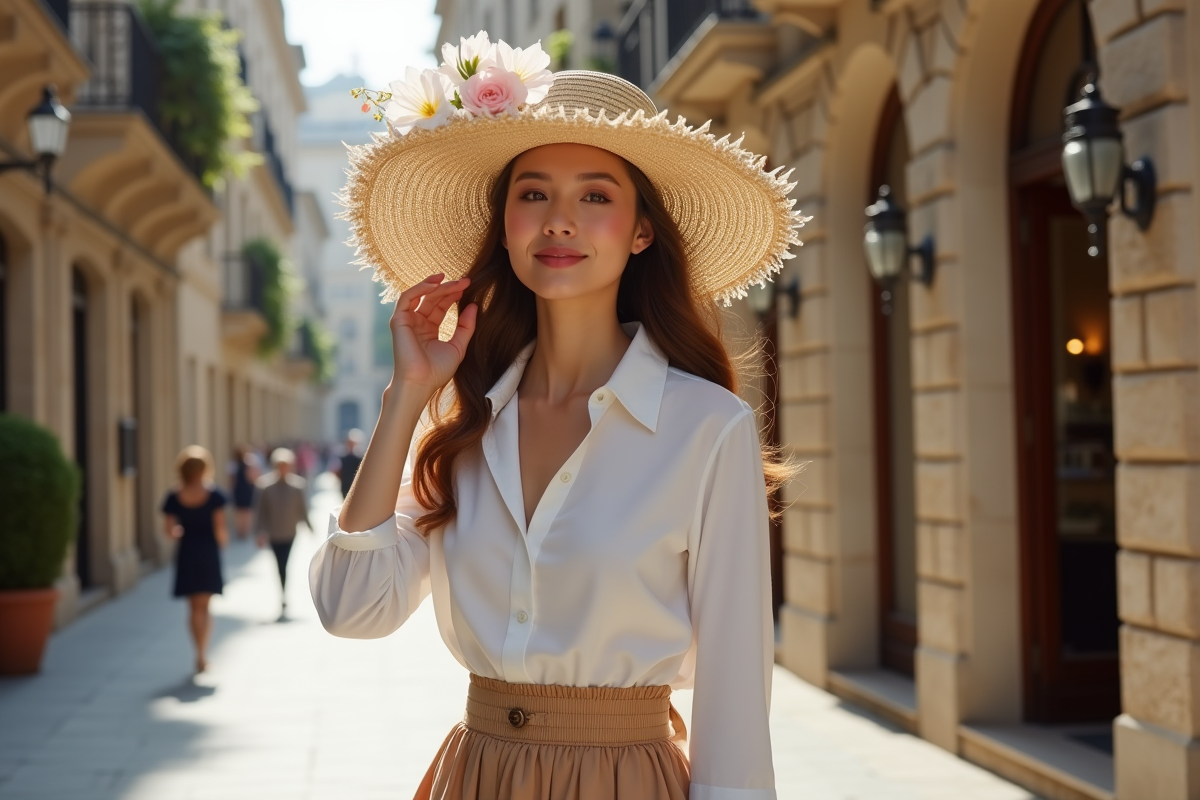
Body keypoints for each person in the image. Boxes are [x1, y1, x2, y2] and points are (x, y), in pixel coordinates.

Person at [309, 38, 805, 800]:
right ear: (505, 225)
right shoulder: (460, 419)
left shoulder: (709, 428)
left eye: (597, 196)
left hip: (626, 780)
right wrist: (405, 396)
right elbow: (351, 610)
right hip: (476, 776)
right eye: (533, 194)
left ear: (642, 231)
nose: (559, 221)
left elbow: (738, 687)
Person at [162, 445, 228, 674]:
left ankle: (197, 653)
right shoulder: (215, 495)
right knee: (206, 606)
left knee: (193, 608)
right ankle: (203, 654)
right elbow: (220, 531)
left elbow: (169, 531)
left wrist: (180, 531)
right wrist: (222, 545)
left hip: (187, 552)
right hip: (208, 552)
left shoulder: (174, 495)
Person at [253, 447, 312, 615]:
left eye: (286, 465)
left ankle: (284, 592)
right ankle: (282, 589)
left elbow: (303, 509)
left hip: (289, 532)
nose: (283, 469)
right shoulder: (265, 486)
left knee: (285, 562)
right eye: (280, 465)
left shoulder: (297, 485)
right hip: (273, 532)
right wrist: (259, 532)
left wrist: (309, 526)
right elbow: (260, 511)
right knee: (279, 564)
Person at [227, 444, 259, 539]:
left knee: (239, 512)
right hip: (247, 489)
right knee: (247, 512)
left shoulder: (233, 464)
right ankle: (245, 531)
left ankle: (240, 530)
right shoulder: (248, 464)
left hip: (238, 490)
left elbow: (231, 480)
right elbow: (252, 478)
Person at [330, 429, 364, 499]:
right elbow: (335, 470)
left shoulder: (360, 457)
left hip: (356, 486)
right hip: (345, 485)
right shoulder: (342, 456)